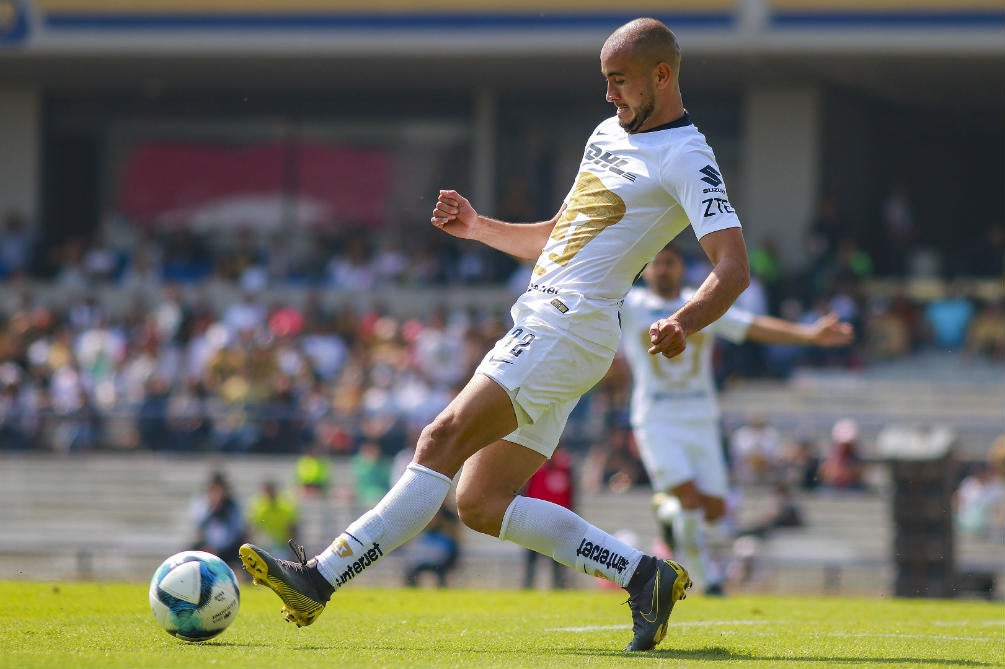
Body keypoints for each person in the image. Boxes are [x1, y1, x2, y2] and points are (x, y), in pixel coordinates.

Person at [239, 17, 751, 652]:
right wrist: (479, 227)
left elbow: (733, 268)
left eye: (619, 82)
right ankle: (644, 575)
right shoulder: (606, 134)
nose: (609, 95)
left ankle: (319, 577)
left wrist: (685, 319)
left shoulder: (688, 155)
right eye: (605, 82)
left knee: (440, 436)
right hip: (556, 322)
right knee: (481, 503)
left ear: (662, 76)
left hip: (567, 325)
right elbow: (557, 236)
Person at [620, 243, 853, 593]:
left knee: (714, 515)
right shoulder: (630, 306)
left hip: (701, 420)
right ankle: (709, 582)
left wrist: (809, 335)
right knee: (691, 500)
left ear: (681, 268)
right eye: (657, 263)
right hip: (656, 419)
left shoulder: (701, 305)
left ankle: (667, 514)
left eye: (670, 262)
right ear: (646, 270)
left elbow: (753, 326)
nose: (664, 269)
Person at [522, 447, 576, 589]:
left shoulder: (565, 469)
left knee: (558, 560)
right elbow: (526, 492)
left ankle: (559, 588)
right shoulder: (535, 468)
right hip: (535, 521)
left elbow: (571, 496)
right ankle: (527, 587)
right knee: (531, 559)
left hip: (557, 522)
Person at [190, 470, 247, 574]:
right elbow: (198, 525)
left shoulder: (232, 506)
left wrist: (220, 549)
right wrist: (212, 509)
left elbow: (235, 530)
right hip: (207, 545)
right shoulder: (203, 503)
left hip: (229, 548)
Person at [246, 479, 301, 557]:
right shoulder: (258, 506)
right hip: (264, 545)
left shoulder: (285, 506)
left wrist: (292, 549)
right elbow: (254, 529)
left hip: (281, 545)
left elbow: (290, 529)